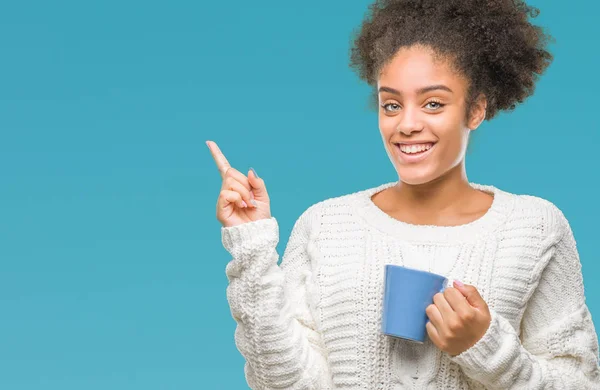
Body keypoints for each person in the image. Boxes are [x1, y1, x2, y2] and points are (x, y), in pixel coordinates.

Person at [207, 0, 600, 388]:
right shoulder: (325, 225)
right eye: (391, 104)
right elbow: (282, 382)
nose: (407, 124)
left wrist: (486, 348)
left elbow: (581, 382)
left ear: (476, 110)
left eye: (433, 103)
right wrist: (251, 246)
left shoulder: (534, 228)